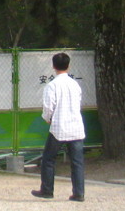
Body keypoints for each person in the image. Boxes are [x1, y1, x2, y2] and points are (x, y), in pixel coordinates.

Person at [31, 52, 85, 203]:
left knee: (48, 159)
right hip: (76, 127)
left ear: (54, 66)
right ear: (68, 66)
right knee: (77, 162)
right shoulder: (75, 84)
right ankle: (79, 193)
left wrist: (48, 119)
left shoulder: (52, 85)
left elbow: (49, 107)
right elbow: (78, 103)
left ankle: (47, 190)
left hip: (59, 127)